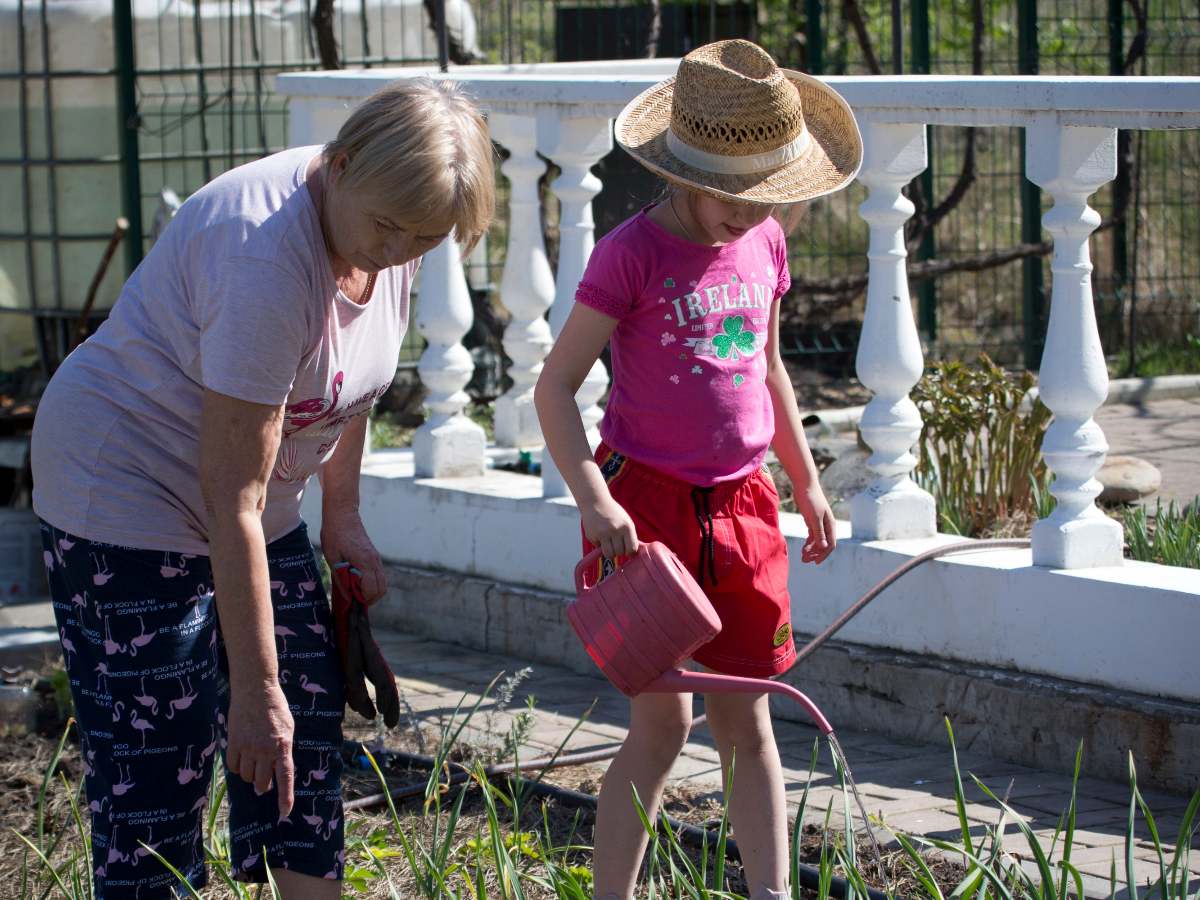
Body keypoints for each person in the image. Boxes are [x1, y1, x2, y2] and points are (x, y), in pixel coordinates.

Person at [31, 77, 494, 898]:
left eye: (422, 237)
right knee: (162, 756)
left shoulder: (395, 224)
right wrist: (252, 689)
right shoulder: (264, 259)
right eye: (390, 227)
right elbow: (230, 500)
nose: (399, 252)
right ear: (341, 164)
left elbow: (349, 385)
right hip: (128, 487)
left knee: (306, 727)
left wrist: (341, 517)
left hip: (245, 496)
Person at [534, 40, 862, 900]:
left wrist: (807, 478)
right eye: (733, 196)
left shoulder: (764, 248)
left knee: (747, 713)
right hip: (646, 509)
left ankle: (772, 891)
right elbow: (556, 389)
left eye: (768, 199)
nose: (750, 215)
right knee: (663, 721)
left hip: (744, 504)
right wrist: (595, 500)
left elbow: (771, 369)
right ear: (679, 166)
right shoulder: (630, 256)